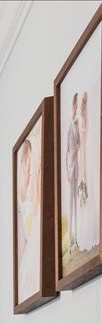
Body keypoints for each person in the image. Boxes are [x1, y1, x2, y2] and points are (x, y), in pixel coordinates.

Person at [16, 138, 41, 300]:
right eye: (26, 166)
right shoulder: (22, 201)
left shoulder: (32, 201)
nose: (28, 172)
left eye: (30, 169)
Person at [76, 91, 99, 253]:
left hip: (85, 156)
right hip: (82, 157)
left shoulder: (85, 119)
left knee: (89, 188)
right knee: (84, 193)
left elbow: (84, 137)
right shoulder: (81, 120)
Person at [66, 93, 81, 251]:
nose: (75, 108)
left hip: (77, 168)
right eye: (74, 105)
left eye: (77, 105)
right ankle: (70, 240)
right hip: (70, 172)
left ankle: (76, 239)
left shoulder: (78, 124)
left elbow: (79, 144)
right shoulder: (69, 126)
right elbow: (65, 153)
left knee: (77, 205)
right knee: (70, 206)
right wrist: (67, 172)